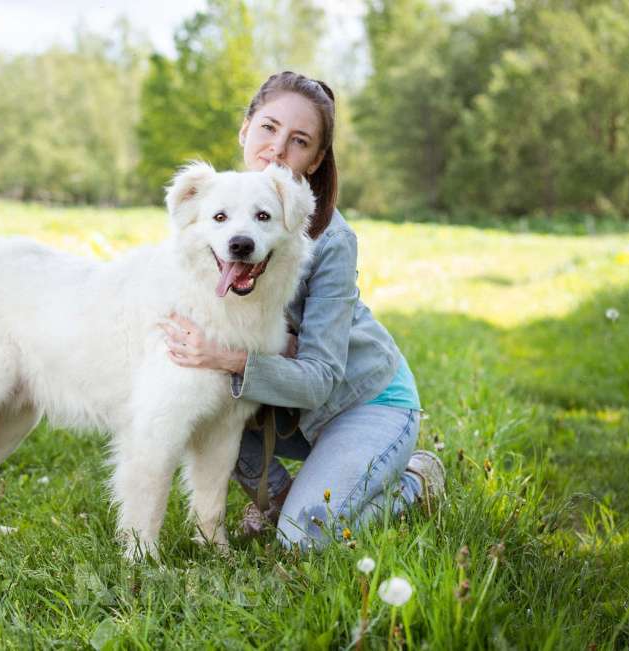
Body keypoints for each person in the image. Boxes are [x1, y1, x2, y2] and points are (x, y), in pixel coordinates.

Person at [160, 71, 445, 549]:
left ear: (315, 159)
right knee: (200, 401)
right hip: (283, 404)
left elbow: (320, 379)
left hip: (364, 403)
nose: (277, 149)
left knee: (303, 538)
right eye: (268, 128)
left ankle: (415, 483)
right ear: (245, 129)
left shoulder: (333, 238)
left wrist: (229, 357)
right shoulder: (210, 216)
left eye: (299, 141)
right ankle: (281, 499)